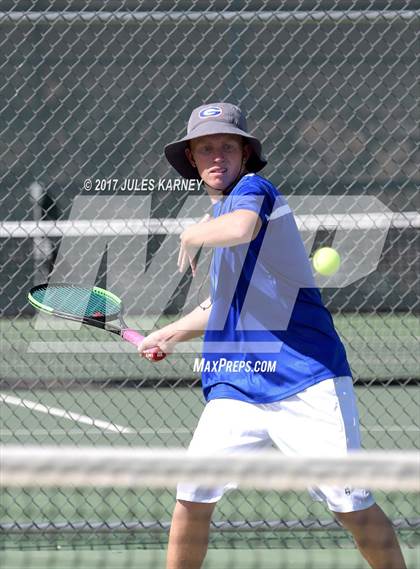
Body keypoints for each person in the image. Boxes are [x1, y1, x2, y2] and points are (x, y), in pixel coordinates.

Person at [139, 103, 406, 569]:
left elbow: (242, 227)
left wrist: (192, 234)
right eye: (206, 148)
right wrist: (168, 333)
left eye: (227, 145)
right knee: (193, 495)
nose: (217, 155)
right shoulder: (219, 217)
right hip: (237, 387)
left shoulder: (253, 192)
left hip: (306, 381)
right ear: (193, 160)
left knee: (352, 506)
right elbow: (224, 306)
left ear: (245, 155)